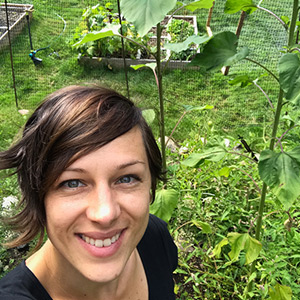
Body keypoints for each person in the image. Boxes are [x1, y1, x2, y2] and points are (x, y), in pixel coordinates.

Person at [0, 85, 177, 300]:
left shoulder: (154, 238)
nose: (105, 214)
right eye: (73, 183)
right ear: (38, 197)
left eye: (127, 178)